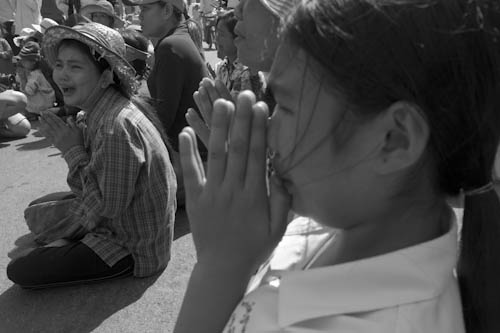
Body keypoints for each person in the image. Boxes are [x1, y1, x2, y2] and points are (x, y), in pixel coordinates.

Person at [174, 0, 500, 332]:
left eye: (284, 106)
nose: (268, 131)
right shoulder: (349, 222)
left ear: (394, 139)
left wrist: (220, 268)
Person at [7, 22, 177, 288]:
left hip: (131, 247)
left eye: (75, 67)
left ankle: (66, 244)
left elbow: (104, 210)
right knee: (37, 208)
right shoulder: (103, 107)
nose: (62, 75)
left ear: (107, 77)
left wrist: (72, 150)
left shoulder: (116, 128)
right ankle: (64, 242)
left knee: (20, 269)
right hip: (118, 217)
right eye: (60, 64)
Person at [127, 0, 208, 153]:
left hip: (187, 158)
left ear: (167, 11)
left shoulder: (170, 46)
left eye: (145, 8)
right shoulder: (176, 39)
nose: (140, 16)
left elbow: (162, 119)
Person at [213, 10, 256, 99]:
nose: (216, 40)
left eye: (221, 34)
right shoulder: (222, 67)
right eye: (216, 33)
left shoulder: (248, 72)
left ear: (237, 38)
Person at [17, 41, 56, 117]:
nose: (22, 63)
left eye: (24, 61)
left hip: (41, 106)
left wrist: (22, 78)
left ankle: (33, 114)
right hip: (47, 103)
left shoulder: (36, 75)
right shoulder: (39, 71)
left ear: (33, 61)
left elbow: (28, 91)